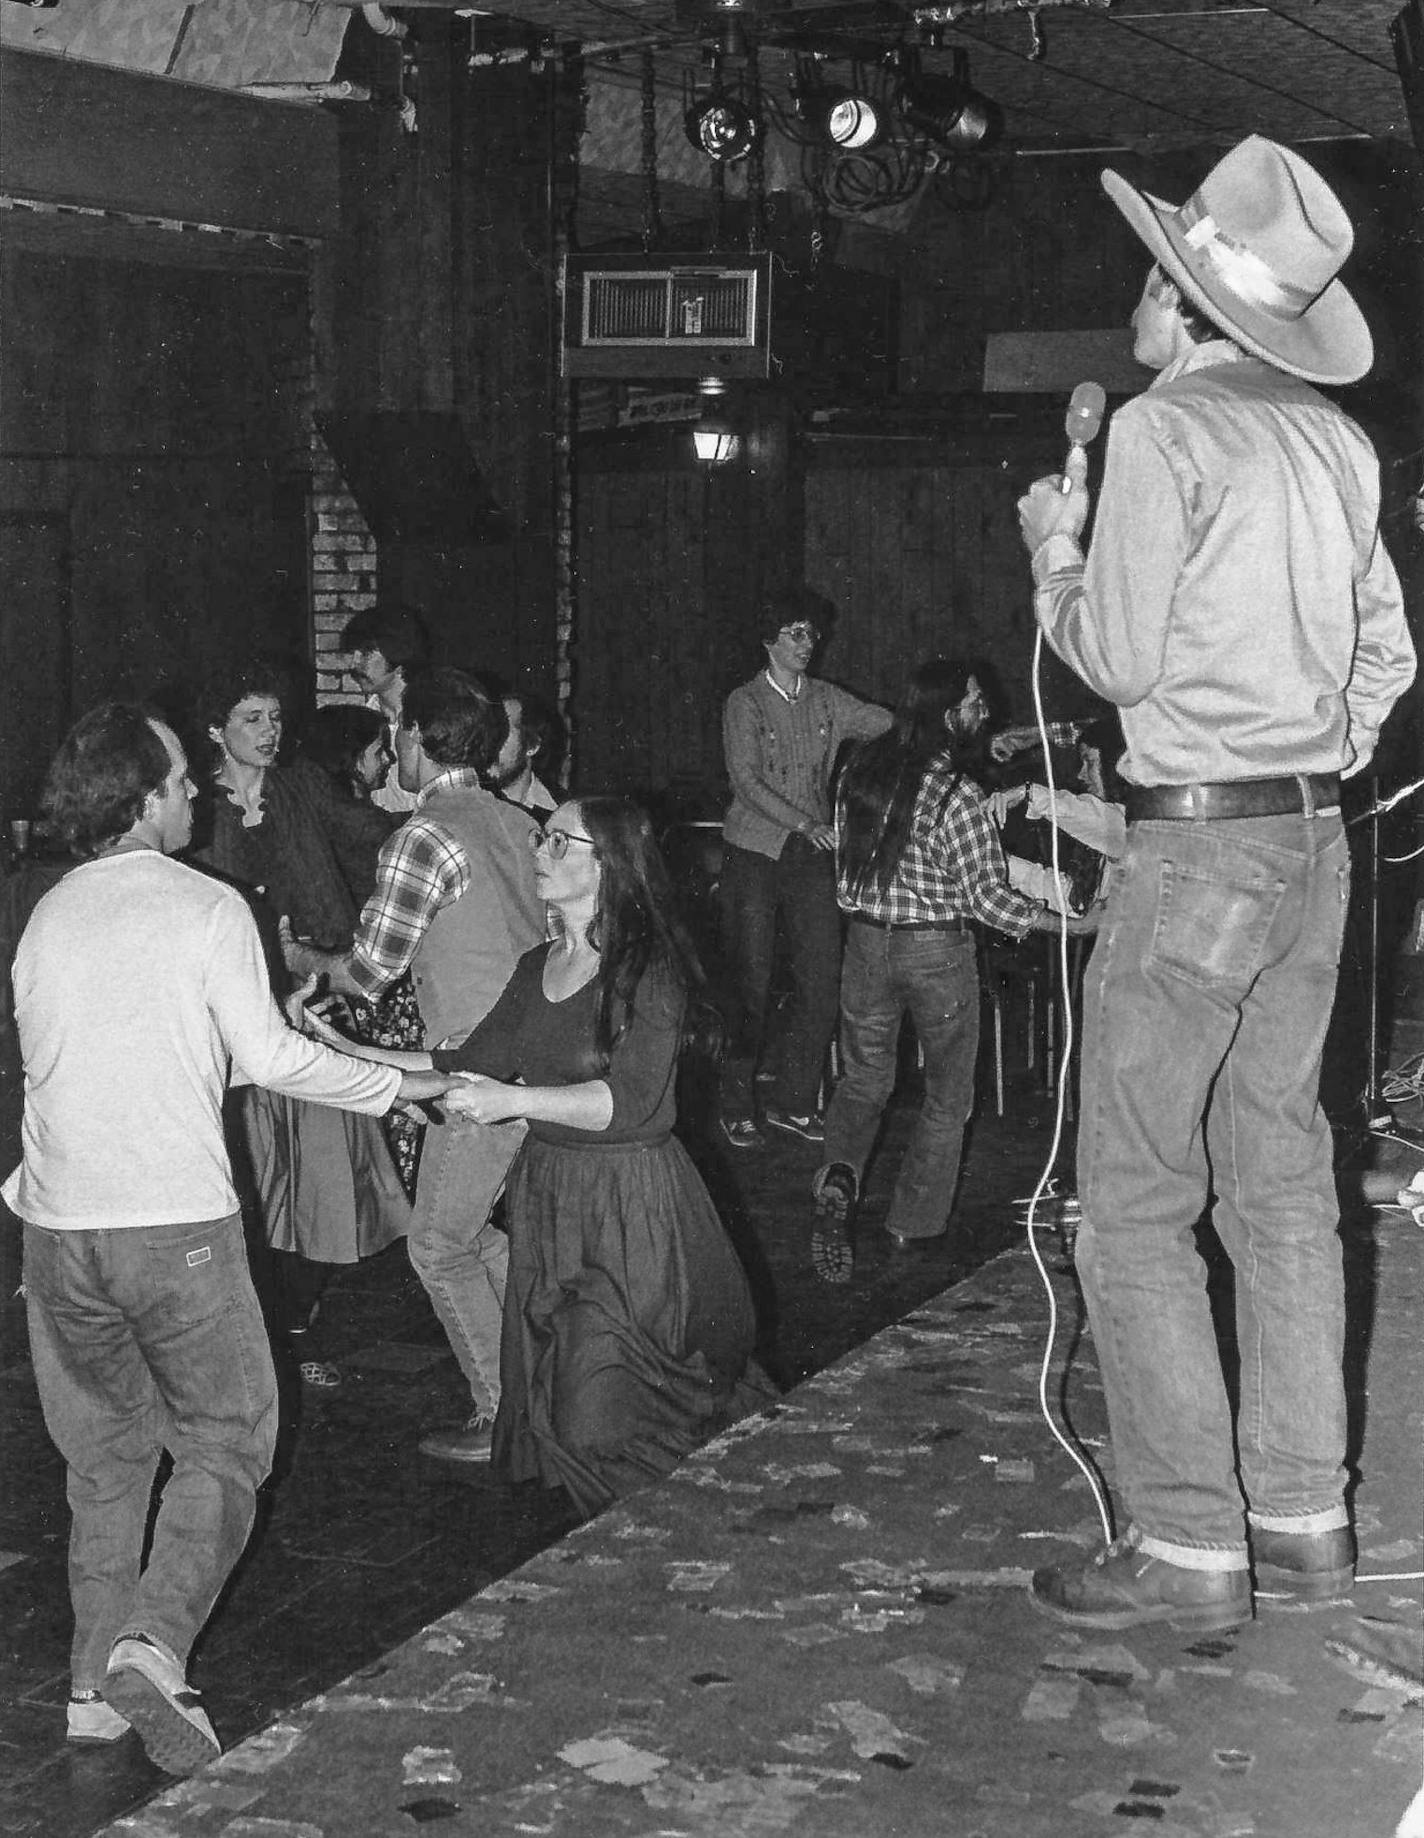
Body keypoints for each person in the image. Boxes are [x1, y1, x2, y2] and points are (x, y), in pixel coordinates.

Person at [1015, 136, 1416, 1631]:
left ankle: (1187, 1543)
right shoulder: (1337, 441)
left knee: (1131, 1201)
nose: (1143, 286)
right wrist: (1310, 748)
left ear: (1184, 305)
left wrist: (1054, 556)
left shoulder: (1165, 434)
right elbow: (1389, 654)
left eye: (1158, 270)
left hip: (1195, 849)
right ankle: (1306, 1520)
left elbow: (1113, 659)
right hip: (1320, 840)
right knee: (1286, 1186)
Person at [5, 703, 457, 1773]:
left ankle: (88, 1693)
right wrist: (405, 1082)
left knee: (106, 1461)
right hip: (172, 1228)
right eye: (176, 781)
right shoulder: (205, 905)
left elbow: (153, 1055)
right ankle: (155, 1645)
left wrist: (262, 1030)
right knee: (226, 1433)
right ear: (140, 796)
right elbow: (276, 1063)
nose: (194, 793)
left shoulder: (46, 912)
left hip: (58, 1233)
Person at [301, 796, 771, 1517]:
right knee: (571, 1410)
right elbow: (463, 1063)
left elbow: (631, 1102)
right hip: (554, 1202)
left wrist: (515, 1102)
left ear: (606, 863)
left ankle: (698, 1525)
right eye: (542, 840)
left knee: (606, 1414)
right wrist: (345, 1053)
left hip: (633, 1206)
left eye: (557, 841)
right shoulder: (536, 966)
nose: (539, 853)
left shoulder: (651, 968)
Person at [282, 665, 543, 1462]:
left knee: (436, 1245)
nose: (389, 741)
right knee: (477, 1238)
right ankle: (534, 1394)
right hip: (538, 1058)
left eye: (396, 726)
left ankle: (501, 1418)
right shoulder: (518, 821)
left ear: (421, 743)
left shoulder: (423, 835)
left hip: (475, 1076)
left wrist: (302, 956)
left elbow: (369, 971)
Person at [810, 660, 1079, 1282]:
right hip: (935, 953)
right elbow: (988, 901)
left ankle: (840, 1176)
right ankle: (912, 1224)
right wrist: (1070, 924)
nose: (983, 711)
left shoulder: (858, 774)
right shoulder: (956, 794)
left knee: (862, 1081)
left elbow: (845, 880)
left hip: (866, 945)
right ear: (946, 712)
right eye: (974, 702)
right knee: (947, 1097)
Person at [191, 661, 411, 1390]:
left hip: (309, 1005)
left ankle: (292, 1327)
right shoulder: (197, 813)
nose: (269, 731)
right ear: (216, 731)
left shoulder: (301, 788)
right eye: (251, 718)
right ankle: (258, 1343)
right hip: (234, 1018)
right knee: (251, 1180)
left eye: (275, 717)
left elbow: (375, 832)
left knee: (319, 1184)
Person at [719, 601, 891, 1150]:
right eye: (795, 632)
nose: (807, 641)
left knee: (823, 979)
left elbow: (882, 722)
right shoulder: (744, 703)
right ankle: (736, 1104)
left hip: (809, 855)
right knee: (751, 981)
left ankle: (795, 1102)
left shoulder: (825, 699)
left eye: (812, 633)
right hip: (755, 852)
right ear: (769, 640)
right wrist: (806, 822)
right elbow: (746, 781)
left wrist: (925, 719)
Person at [341, 602, 431, 814]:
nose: (354, 663)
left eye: (365, 653)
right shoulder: (360, 719)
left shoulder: (432, 718)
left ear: (398, 653)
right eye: (353, 653)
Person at [491, 687, 562, 820]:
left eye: (503, 732)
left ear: (533, 746)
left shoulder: (562, 812)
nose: (490, 743)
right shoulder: (468, 802)